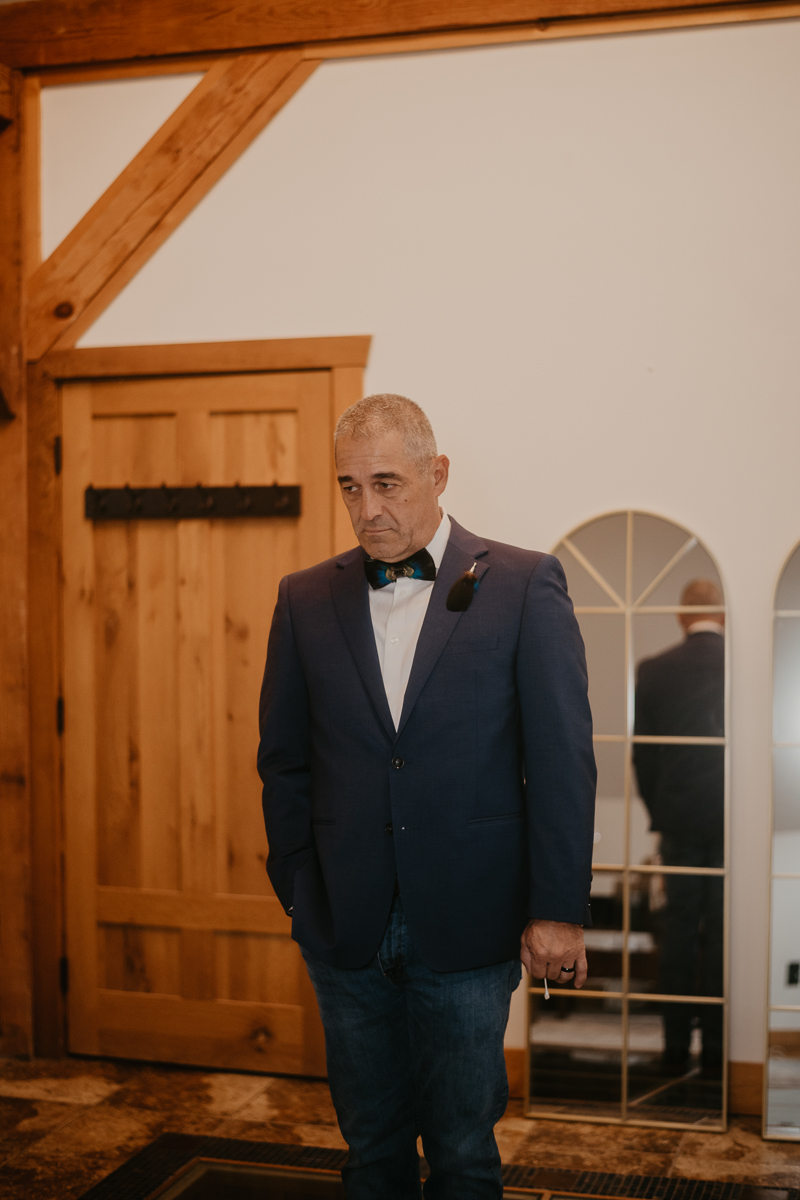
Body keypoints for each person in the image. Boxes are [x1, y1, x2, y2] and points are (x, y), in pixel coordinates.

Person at [258, 394, 596, 1199]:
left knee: (462, 1150)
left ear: (437, 473)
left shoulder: (522, 583)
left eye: (386, 483)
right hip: (345, 926)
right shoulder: (304, 600)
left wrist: (558, 909)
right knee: (370, 1147)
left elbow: (561, 759)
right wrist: (300, 894)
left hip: (472, 924)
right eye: (348, 487)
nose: (366, 509)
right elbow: (285, 762)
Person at [633, 579, 725, 1077]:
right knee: (722, 937)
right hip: (732, 822)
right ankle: (715, 1052)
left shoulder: (654, 670)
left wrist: (661, 813)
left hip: (680, 820)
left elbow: (643, 758)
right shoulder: (739, 667)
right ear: (724, 615)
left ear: (680, 616)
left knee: (679, 932)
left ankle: (672, 1050)